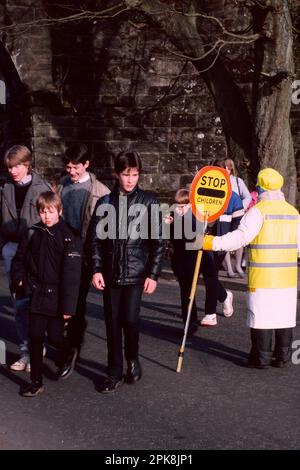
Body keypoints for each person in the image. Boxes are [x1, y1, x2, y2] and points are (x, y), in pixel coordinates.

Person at [203, 168, 300, 368]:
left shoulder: (258, 212)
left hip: (263, 277)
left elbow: (239, 239)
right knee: (284, 316)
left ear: (260, 187)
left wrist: (211, 242)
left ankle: (261, 358)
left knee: (261, 317)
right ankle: (282, 356)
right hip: (288, 277)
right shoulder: (293, 212)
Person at [88, 150, 165, 393]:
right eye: (125, 174)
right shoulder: (105, 203)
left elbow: (159, 241)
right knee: (112, 323)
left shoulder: (149, 202)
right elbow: (95, 241)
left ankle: (132, 359)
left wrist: (153, 274)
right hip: (110, 274)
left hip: (136, 272)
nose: (130, 179)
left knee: (130, 319)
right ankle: (114, 370)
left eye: (135, 174)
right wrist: (96, 269)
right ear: (116, 174)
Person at [11, 192, 83, 396]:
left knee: (54, 336)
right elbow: (19, 260)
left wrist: (69, 307)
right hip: (37, 293)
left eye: (51, 212)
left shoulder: (70, 236)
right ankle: (36, 381)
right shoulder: (33, 232)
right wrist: (20, 278)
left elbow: (72, 276)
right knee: (34, 336)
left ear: (59, 211)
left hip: (59, 296)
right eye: (43, 212)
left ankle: (69, 350)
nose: (47, 216)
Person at [0, 145, 51, 372]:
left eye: (17, 166)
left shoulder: (42, 188)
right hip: (13, 250)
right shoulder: (5, 189)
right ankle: (24, 351)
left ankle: (38, 348)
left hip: (36, 250)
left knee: (36, 303)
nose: (13, 171)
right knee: (19, 303)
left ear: (27, 164)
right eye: (10, 167)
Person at [58, 143, 110, 355]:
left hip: (86, 254)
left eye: (76, 167)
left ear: (86, 164)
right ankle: (67, 336)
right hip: (63, 249)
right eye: (68, 167)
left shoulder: (101, 192)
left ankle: (73, 346)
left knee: (76, 300)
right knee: (63, 297)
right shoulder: (61, 185)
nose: (71, 172)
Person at [200, 159, 244, 326]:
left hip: (221, 242)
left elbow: (237, 224)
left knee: (210, 274)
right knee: (208, 274)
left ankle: (210, 313)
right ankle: (225, 295)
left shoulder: (233, 198)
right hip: (202, 239)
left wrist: (231, 243)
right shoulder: (202, 193)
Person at [166, 189, 200, 336]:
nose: (179, 209)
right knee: (185, 292)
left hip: (191, 260)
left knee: (188, 292)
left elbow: (192, 238)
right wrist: (168, 224)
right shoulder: (174, 217)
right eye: (177, 206)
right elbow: (169, 237)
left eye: (183, 206)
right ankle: (189, 320)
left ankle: (191, 322)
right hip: (179, 260)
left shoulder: (193, 218)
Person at [223, 158, 251, 278]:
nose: (226, 169)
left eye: (228, 167)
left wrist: (240, 207)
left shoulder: (238, 181)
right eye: (225, 167)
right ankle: (229, 269)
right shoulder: (218, 180)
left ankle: (238, 266)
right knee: (224, 240)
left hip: (236, 215)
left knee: (239, 239)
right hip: (223, 215)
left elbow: (247, 197)